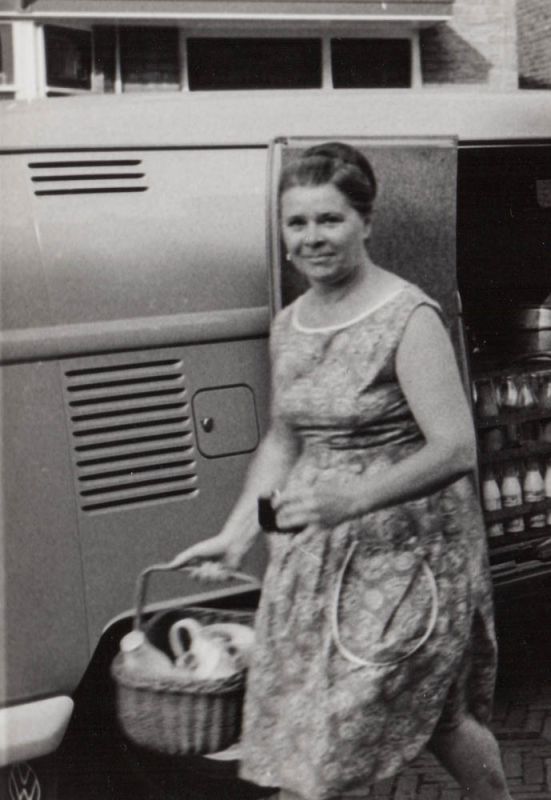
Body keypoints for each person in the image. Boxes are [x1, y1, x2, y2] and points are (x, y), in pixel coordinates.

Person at [171, 142, 511, 800]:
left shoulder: (407, 317)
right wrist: (239, 532)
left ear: (365, 221)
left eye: (329, 219)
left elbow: (454, 448)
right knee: (395, 718)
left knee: (353, 727)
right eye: (296, 222)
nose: (312, 237)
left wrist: (351, 500)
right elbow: (283, 440)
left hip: (409, 557)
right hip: (317, 554)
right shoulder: (289, 325)